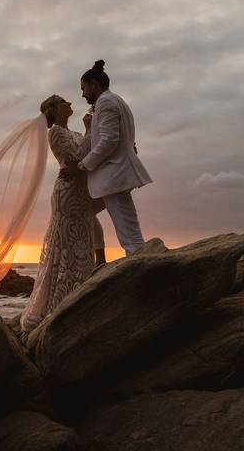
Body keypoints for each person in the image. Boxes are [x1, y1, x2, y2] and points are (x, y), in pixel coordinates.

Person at [19, 94, 104, 340]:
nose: (69, 103)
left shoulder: (73, 131)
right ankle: (60, 303)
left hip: (80, 190)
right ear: (54, 110)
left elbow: (86, 155)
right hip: (67, 193)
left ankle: (79, 295)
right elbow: (76, 158)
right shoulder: (55, 132)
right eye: (64, 102)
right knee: (67, 246)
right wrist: (89, 130)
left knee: (81, 242)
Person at [62, 60, 152, 260]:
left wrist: (81, 166)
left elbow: (109, 140)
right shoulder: (115, 101)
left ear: (94, 84)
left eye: (84, 88)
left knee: (129, 235)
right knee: (124, 230)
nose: (83, 93)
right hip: (113, 175)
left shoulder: (106, 102)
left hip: (112, 175)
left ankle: (141, 272)